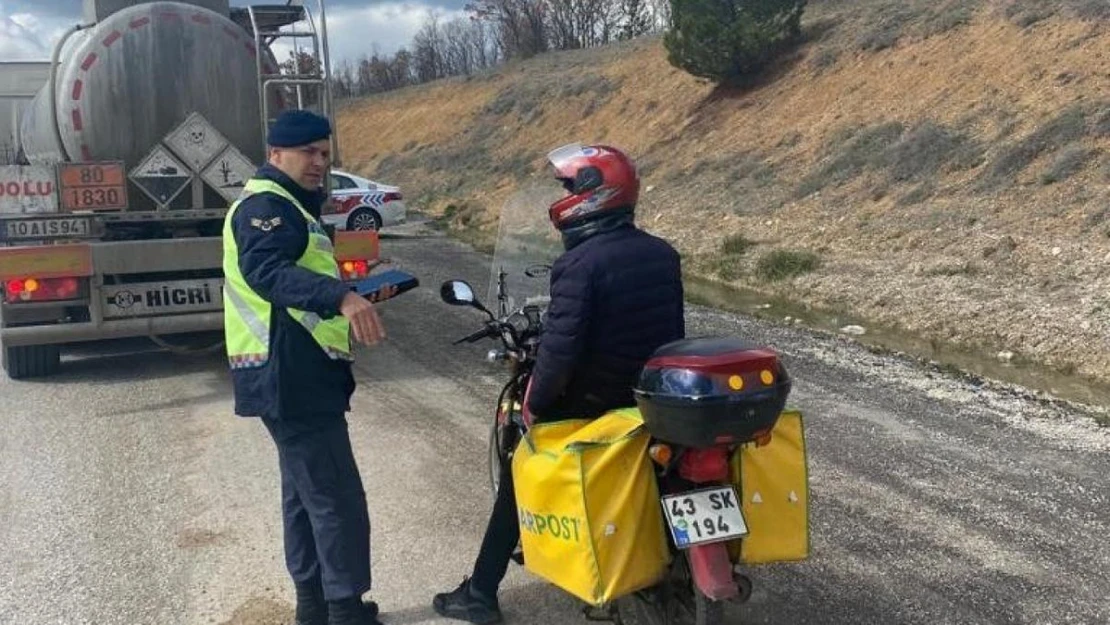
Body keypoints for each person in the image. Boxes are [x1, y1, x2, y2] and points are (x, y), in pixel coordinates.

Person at [432, 143, 686, 624]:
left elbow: (561, 351)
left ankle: (481, 594)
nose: (564, 194)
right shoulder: (661, 253)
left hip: (595, 401)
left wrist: (534, 403)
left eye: (569, 185)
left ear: (592, 194)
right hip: (651, 396)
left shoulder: (579, 264)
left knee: (518, 471)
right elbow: (670, 331)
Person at [221, 109, 393, 625]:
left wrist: (356, 293)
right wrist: (341, 297)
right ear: (275, 154)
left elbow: (298, 277)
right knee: (335, 496)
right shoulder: (266, 208)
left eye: (324, 153)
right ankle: (344, 609)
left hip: (295, 371)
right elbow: (267, 270)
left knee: (304, 495)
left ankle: (313, 607)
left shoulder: (292, 205)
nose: (319, 162)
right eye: (308, 153)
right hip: (289, 374)